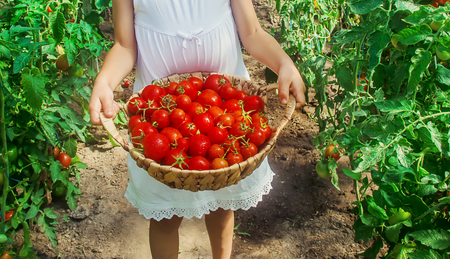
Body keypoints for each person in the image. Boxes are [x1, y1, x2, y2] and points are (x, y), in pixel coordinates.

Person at [89, 0, 306, 258]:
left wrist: (283, 63)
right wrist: (104, 81)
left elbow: (253, 32)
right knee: (165, 216)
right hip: (162, 114)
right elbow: (125, 45)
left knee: (222, 201)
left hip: (225, 109)